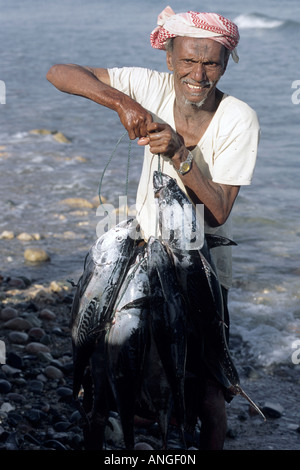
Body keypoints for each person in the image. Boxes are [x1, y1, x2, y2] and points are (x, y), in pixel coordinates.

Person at [47, 6, 260, 450]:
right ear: (169, 58)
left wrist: (180, 154)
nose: (198, 74)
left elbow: (219, 212)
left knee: (207, 388)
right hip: (140, 257)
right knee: (120, 364)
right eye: (188, 60)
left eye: (211, 63)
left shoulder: (239, 118)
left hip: (200, 264)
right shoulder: (148, 86)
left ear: (225, 64)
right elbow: (60, 72)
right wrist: (123, 103)